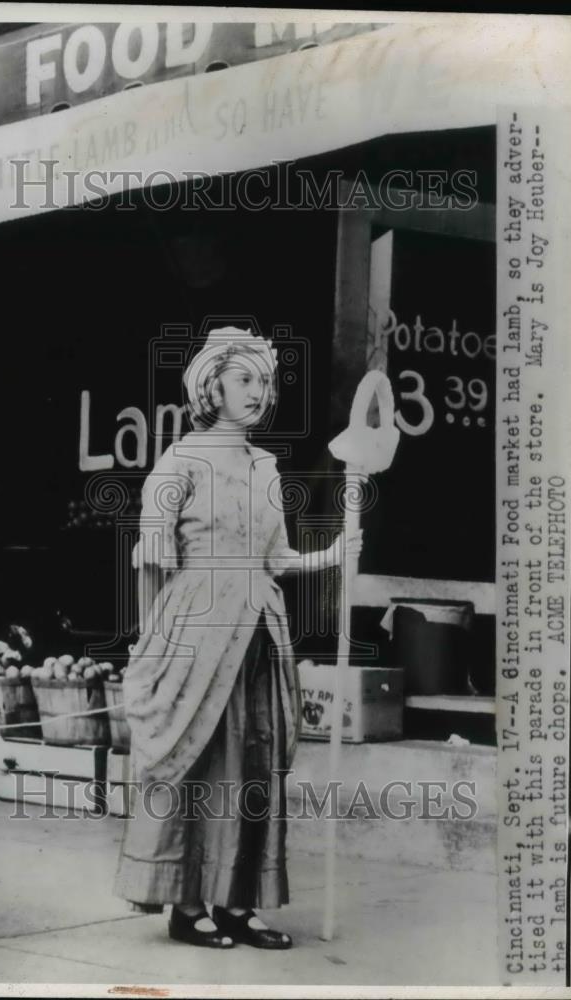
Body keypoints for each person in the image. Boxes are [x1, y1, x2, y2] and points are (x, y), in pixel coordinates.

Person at [113, 327, 363, 949]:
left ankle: (238, 904)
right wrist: (152, 649)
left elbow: (275, 556)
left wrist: (333, 554)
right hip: (196, 626)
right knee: (200, 760)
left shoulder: (266, 467)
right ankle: (186, 903)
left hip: (259, 629)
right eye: (245, 379)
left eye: (265, 382)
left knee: (253, 763)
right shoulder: (178, 463)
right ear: (211, 385)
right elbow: (153, 561)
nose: (259, 392)